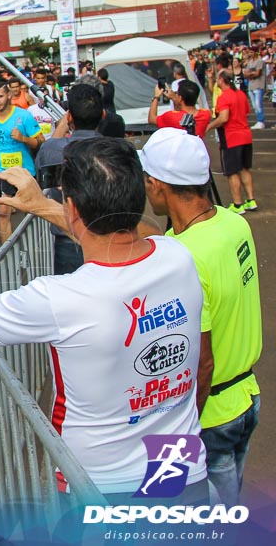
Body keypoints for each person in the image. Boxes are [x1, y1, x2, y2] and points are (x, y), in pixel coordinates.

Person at [0, 138, 208, 502]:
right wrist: (43, 206)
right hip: (182, 470)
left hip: (100, 487)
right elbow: (128, 239)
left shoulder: (60, 298)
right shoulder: (179, 256)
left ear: (73, 207)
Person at [141, 128, 261, 506]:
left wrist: (178, 435)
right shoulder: (232, 223)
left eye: (147, 180)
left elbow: (201, 362)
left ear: (159, 185)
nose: (145, 188)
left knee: (206, 520)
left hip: (209, 417)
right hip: (245, 398)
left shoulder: (184, 258)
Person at [34, 85, 104, 275]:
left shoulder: (54, 150)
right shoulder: (117, 149)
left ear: (70, 116)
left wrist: (62, 126)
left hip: (69, 240)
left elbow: (46, 155)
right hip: (112, 237)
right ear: (103, 114)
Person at [0, 81, 44, 243]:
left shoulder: (23, 115)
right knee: (3, 212)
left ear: (9, 95)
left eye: (0, 96)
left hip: (24, 172)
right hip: (1, 171)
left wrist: (24, 139)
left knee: (33, 213)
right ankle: (7, 252)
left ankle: (34, 247)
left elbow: (41, 141)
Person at [207, 71, 256, 213]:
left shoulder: (224, 97)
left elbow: (223, 118)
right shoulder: (241, 94)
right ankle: (251, 199)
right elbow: (246, 112)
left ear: (222, 80)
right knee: (245, 169)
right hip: (246, 135)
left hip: (231, 138)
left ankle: (238, 203)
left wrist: (209, 126)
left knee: (232, 172)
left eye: (217, 79)